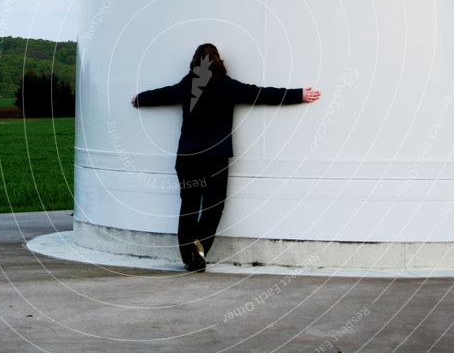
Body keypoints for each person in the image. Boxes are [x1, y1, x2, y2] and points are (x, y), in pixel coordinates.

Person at [131, 43, 321, 272]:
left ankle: (190, 255)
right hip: (215, 159)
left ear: (194, 63)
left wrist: (140, 99)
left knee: (189, 206)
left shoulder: (186, 85)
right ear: (219, 61)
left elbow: (163, 94)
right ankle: (197, 252)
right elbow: (261, 94)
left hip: (188, 158)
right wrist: (298, 94)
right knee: (213, 206)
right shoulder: (227, 87)